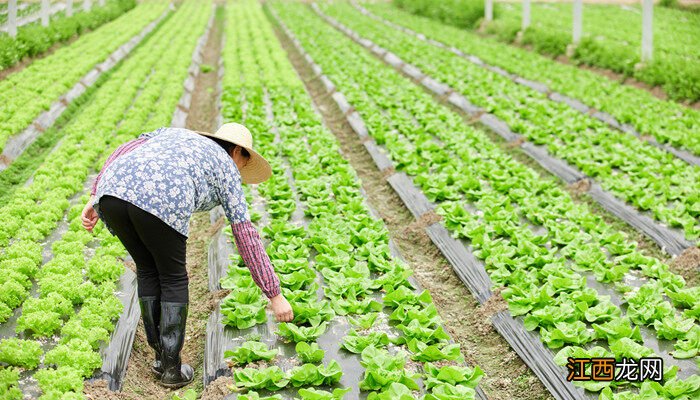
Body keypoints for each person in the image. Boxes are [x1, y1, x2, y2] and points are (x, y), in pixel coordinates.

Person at [81, 123, 293, 388]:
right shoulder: (226, 167)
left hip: (112, 192)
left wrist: (94, 194)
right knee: (173, 278)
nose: (240, 170)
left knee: (147, 268)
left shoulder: (174, 134)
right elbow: (245, 234)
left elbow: (126, 148)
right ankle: (171, 369)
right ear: (238, 151)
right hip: (159, 200)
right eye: (243, 162)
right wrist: (274, 294)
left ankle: (160, 358)